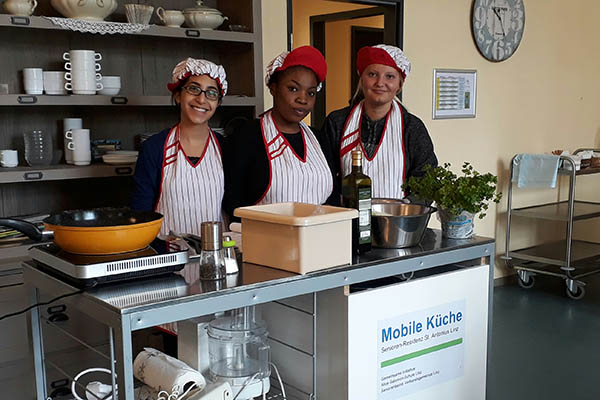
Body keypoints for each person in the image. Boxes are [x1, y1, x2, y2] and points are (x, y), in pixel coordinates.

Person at [223, 46, 336, 217]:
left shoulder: (319, 139)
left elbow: (333, 200)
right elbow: (232, 201)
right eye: (293, 89)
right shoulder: (248, 136)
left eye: (311, 93)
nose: (302, 99)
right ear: (273, 88)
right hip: (266, 239)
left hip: (318, 238)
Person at [323, 44, 437, 201]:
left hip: (397, 221)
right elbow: (326, 177)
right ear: (361, 78)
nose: (380, 83)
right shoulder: (337, 122)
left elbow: (426, 181)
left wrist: (407, 209)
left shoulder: (412, 127)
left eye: (390, 76)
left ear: (399, 84)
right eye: (372, 74)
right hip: (346, 220)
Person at [131, 58, 228, 235]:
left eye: (211, 93)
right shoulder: (155, 148)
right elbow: (141, 213)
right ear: (178, 95)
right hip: (167, 256)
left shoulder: (225, 148)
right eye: (193, 89)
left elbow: (231, 206)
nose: (201, 99)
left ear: (218, 103)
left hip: (215, 254)